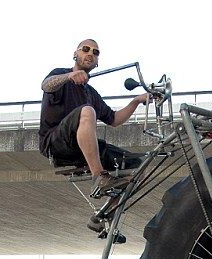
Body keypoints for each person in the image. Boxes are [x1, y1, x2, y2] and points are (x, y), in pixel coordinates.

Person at [38, 39, 148, 231]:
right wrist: (70, 76)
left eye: (95, 52)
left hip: (81, 149)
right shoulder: (60, 75)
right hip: (56, 143)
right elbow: (46, 85)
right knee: (87, 111)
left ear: (97, 62)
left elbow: (114, 120)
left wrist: (136, 101)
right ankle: (99, 176)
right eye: (85, 49)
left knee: (140, 165)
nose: (90, 53)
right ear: (76, 54)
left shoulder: (91, 93)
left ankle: (104, 214)